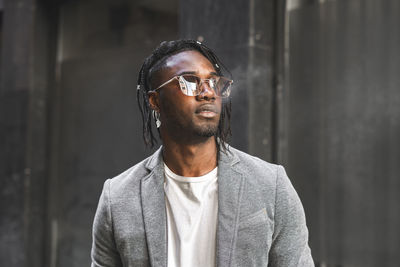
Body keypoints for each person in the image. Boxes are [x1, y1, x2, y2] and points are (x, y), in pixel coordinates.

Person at [91, 39, 314, 267]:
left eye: (213, 82)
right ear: (155, 100)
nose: (207, 93)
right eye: (189, 81)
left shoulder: (271, 185)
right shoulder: (117, 198)